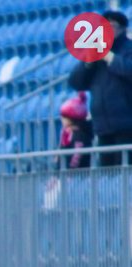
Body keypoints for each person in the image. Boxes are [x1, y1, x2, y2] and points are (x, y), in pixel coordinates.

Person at [67, 10, 132, 167]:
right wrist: (87, 63)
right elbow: (75, 82)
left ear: (122, 29)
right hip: (103, 127)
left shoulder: (128, 49)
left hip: (127, 126)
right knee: (108, 175)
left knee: (127, 172)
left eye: (111, 26)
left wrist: (110, 57)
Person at [58, 92, 94, 169]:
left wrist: (68, 171)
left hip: (78, 174)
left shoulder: (79, 135)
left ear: (72, 119)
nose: (62, 120)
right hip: (65, 172)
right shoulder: (67, 132)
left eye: (64, 117)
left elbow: (77, 157)